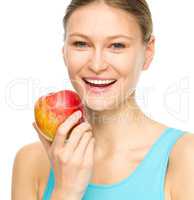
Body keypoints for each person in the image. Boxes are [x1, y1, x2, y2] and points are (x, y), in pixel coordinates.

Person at [11, 0, 194, 200]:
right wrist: (65, 191)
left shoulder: (184, 157)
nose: (97, 65)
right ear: (64, 51)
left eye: (117, 45)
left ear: (148, 52)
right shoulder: (31, 162)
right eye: (81, 44)